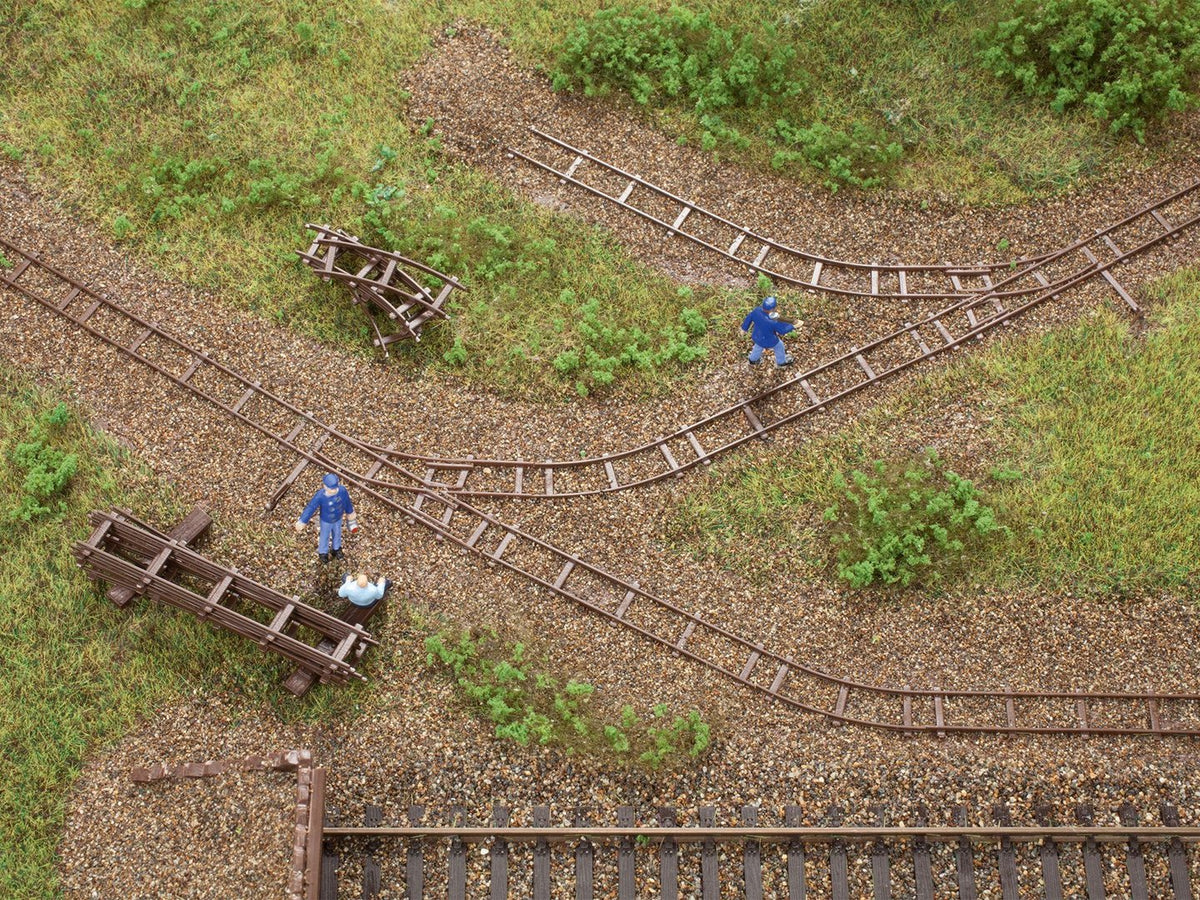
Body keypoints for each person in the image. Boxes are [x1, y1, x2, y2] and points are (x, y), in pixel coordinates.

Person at [294, 472, 358, 563]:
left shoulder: (342, 491)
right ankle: (323, 552)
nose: (333, 491)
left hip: (338, 518)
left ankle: (336, 549)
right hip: (326, 520)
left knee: (337, 533)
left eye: (334, 488)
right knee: (324, 536)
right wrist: (303, 520)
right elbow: (311, 507)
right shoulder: (320, 495)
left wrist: (350, 513)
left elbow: (347, 502)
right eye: (330, 489)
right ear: (325, 486)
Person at [740, 295, 796, 367]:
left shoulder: (756, 311)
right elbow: (782, 330)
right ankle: (781, 362)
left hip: (757, 336)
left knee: (758, 347)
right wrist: (792, 326)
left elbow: (749, 317)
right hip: (770, 340)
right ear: (772, 309)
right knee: (779, 346)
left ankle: (752, 360)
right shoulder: (773, 321)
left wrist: (744, 328)